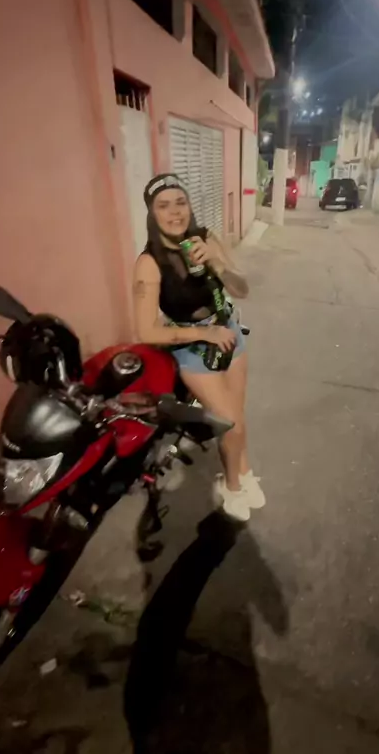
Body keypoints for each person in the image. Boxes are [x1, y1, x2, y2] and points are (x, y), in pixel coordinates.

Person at [132, 173, 265, 522]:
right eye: (164, 206)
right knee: (229, 423)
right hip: (193, 347)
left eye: (181, 202)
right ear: (152, 214)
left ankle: (245, 472)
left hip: (229, 330)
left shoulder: (206, 238)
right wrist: (203, 335)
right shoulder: (149, 263)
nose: (175, 212)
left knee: (238, 417)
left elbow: (242, 289)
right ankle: (231, 486)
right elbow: (146, 331)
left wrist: (216, 263)